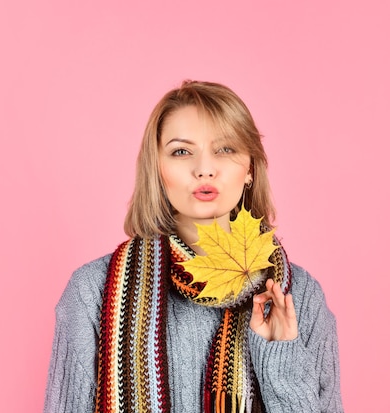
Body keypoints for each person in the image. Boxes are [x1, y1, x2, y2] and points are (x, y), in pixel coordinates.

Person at [43, 80, 343, 412]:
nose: (204, 169)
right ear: (157, 168)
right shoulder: (91, 292)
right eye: (181, 151)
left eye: (225, 149)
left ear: (250, 170)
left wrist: (280, 360)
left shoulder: (299, 297)